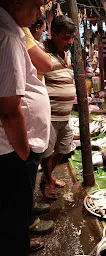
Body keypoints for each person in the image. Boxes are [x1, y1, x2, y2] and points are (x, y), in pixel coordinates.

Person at [0, 0, 51, 255]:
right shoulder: (7, 36)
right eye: (37, 5)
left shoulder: (11, 31)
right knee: (13, 214)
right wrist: (24, 153)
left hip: (12, 147)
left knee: (14, 211)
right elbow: (9, 110)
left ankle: (20, 238)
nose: (39, 13)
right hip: (11, 150)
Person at [23, 17, 54, 250]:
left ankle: (29, 211)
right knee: (18, 186)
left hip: (29, 131)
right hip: (21, 134)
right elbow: (46, 65)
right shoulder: (14, 33)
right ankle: (23, 232)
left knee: (26, 180)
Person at [40, 15, 76, 200]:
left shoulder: (67, 53)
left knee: (64, 149)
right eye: (65, 37)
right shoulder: (42, 53)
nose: (69, 42)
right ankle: (47, 182)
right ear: (53, 35)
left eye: (71, 37)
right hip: (50, 116)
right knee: (47, 153)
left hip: (65, 116)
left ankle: (48, 176)